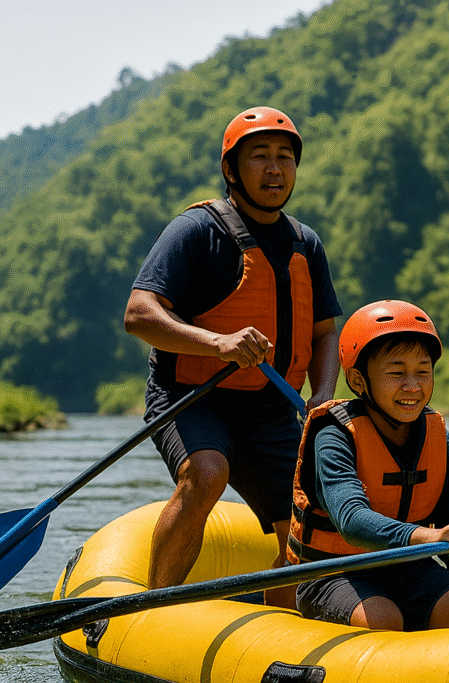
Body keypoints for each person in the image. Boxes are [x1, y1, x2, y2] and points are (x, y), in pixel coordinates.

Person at [124, 106, 343, 607]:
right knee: (206, 473)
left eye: (284, 157)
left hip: (271, 410)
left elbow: (326, 332)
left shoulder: (305, 244)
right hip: (192, 398)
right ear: (230, 169)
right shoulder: (196, 230)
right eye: (259, 157)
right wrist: (217, 343)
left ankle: (273, 621)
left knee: (309, 525)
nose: (274, 169)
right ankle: (152, 608)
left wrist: (324, 392)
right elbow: (139, 313)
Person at [288, 300, 449, 630]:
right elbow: (352, 521)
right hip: (333, 571)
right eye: (396, 373)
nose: (413, 386)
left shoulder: (437, 438)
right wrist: (428, 537)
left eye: (423, 372)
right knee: (383, 618)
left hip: (406, 569)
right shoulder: (333, 436)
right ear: (358, 381)